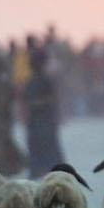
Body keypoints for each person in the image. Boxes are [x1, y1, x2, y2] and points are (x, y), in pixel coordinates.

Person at [23, 48, 66, 179]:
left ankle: (51, 170)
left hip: (45, 118)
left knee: (48, 144)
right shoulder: (31, 81)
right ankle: (38, 170)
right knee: (37, 145)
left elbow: (51, 99)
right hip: (37, 119)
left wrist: (37, 104)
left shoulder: (45, 81)